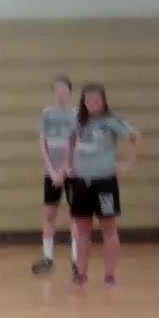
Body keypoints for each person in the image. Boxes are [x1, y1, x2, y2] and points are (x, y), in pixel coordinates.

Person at [65, 83, 141, 287]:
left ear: (103, 100)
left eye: (97, 100)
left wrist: (127, 166)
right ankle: (81, 274)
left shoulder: (111, 121)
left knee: (109, 228)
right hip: (81, 182)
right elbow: (70, 142)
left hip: (105, 183)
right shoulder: (77, 121)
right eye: (88, 100)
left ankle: (110, 275)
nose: (93, 103)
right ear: (83, 102)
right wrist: (68, 165)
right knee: (82, 230)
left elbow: (135, 137)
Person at [32, 76, 79, 274]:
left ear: (70, 92)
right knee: (49, 214)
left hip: (72, 172)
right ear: (53, 93)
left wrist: (65, 168)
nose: (61, 94)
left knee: (76, 215)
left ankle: (76, 259)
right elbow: (42, 143)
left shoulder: (76, 115)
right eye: (57, 90)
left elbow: (76, 144)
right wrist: (52, 171)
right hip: (51, 173)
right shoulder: (47, 114)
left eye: (64, 90)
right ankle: (47, 257)